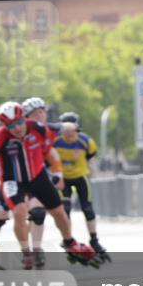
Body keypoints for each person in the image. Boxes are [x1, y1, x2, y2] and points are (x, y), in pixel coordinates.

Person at [0, 102, 97, 268]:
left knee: (59, 211)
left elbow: (61, 127)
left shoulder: (38, 128)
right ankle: (26, 252)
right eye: (11, 125)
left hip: (37, 176)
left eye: (19, 122)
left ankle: (69, 242)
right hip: (12, 180)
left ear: (23, 118)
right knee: (18, 212)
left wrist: (73, 126)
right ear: (5, 125)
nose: (17, 128)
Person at [53, 111, 109, 262]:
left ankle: (94, 239)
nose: (70, 134)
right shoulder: (55, 142)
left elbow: (90, 156)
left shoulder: (86, 142)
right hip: (63, 178)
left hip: (80, 177)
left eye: (74, 131)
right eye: (67, 131)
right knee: (65, 210)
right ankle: (69, 240)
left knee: (88, 208)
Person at [21, 97, 65, 267]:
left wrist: (58, 174)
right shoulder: (21, 132)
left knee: (38, 213)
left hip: (39, 176)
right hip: (20, 178)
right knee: (26, 216)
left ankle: (37, 249)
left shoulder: (49, 131)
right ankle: (26, 249)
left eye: (42, 112)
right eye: (34, 113)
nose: (39, 116)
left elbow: (53, 155)